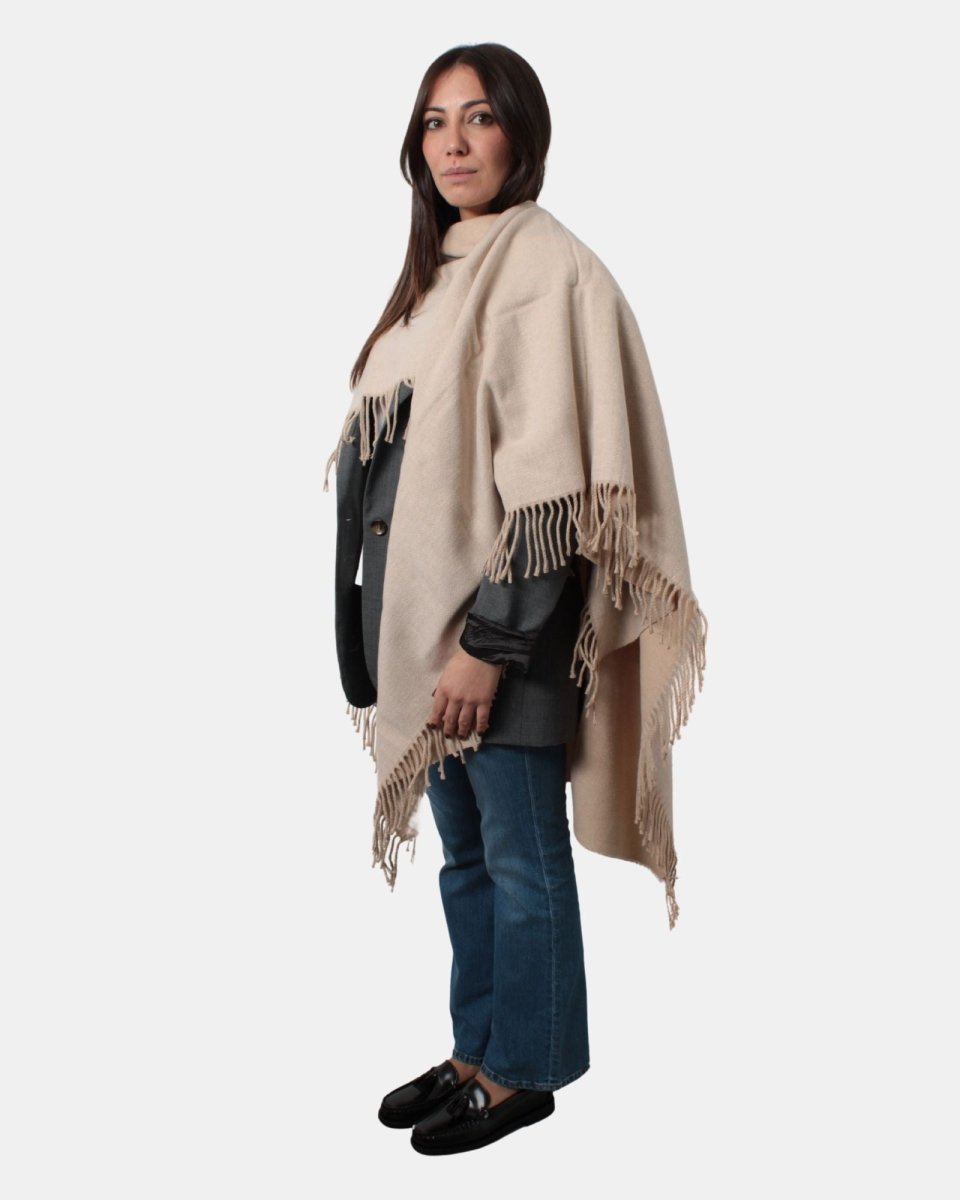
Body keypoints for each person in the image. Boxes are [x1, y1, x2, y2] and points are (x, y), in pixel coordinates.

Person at [325, 43, 708, 1156]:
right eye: (434, 120)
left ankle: (526, 1070)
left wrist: (486, 645)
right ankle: (477, 1047)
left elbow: (556, 494)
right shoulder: (437, 275)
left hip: (500, 641)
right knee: (466, 860)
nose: (453, 141)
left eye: (478, 117)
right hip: (425, 642)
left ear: (521, 136)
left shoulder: (543, 268)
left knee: (523, 861)